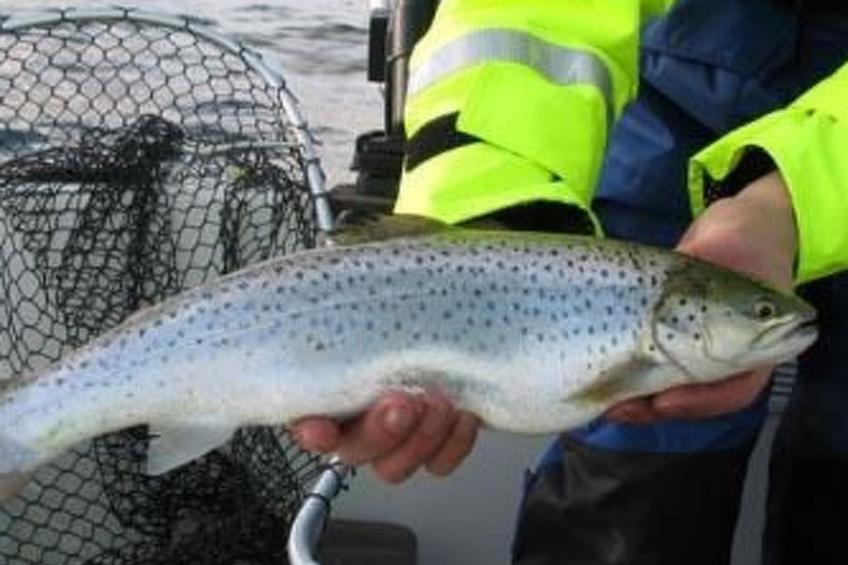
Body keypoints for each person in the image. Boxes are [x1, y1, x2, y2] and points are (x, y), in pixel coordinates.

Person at [294, 1, 848, 563]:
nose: (770, 318)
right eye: (760, 314)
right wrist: (493, 209)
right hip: (672, 77)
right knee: (628, 473)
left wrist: (788, 203)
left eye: (761, 314)